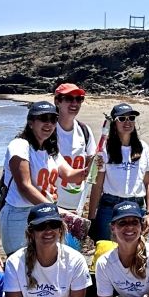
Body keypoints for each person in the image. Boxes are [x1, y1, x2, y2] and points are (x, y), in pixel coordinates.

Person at [0, 101, 61, 253]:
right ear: (31, 122)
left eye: (53, 119)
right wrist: (54, 210)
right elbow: (24, 187)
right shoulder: (19, 145)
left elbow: (73, 175)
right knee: (19, 267)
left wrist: (95, 164)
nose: (49, 123)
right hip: (19, 215)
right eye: (43, 118)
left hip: (43, 213)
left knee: (41, 265)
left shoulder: (48, 151)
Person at [89, 102, 149, 240]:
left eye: (131, 118)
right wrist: (92, 218)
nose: (127, 122)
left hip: (137, 206)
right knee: (105, 249)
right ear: (114, 123)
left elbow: (148, 182)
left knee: (134, 252)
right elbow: (97, 185)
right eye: (122, 119)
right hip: (110, 206)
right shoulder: (104, 149)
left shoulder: (143, 147)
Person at [48, 82, 97, 217]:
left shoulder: (84, 130)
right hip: (53, 204)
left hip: (77, 206)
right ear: (57, 101)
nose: (74, 103)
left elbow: (91, 162)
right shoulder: (48, 131)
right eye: (69, 99)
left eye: (79, 99)